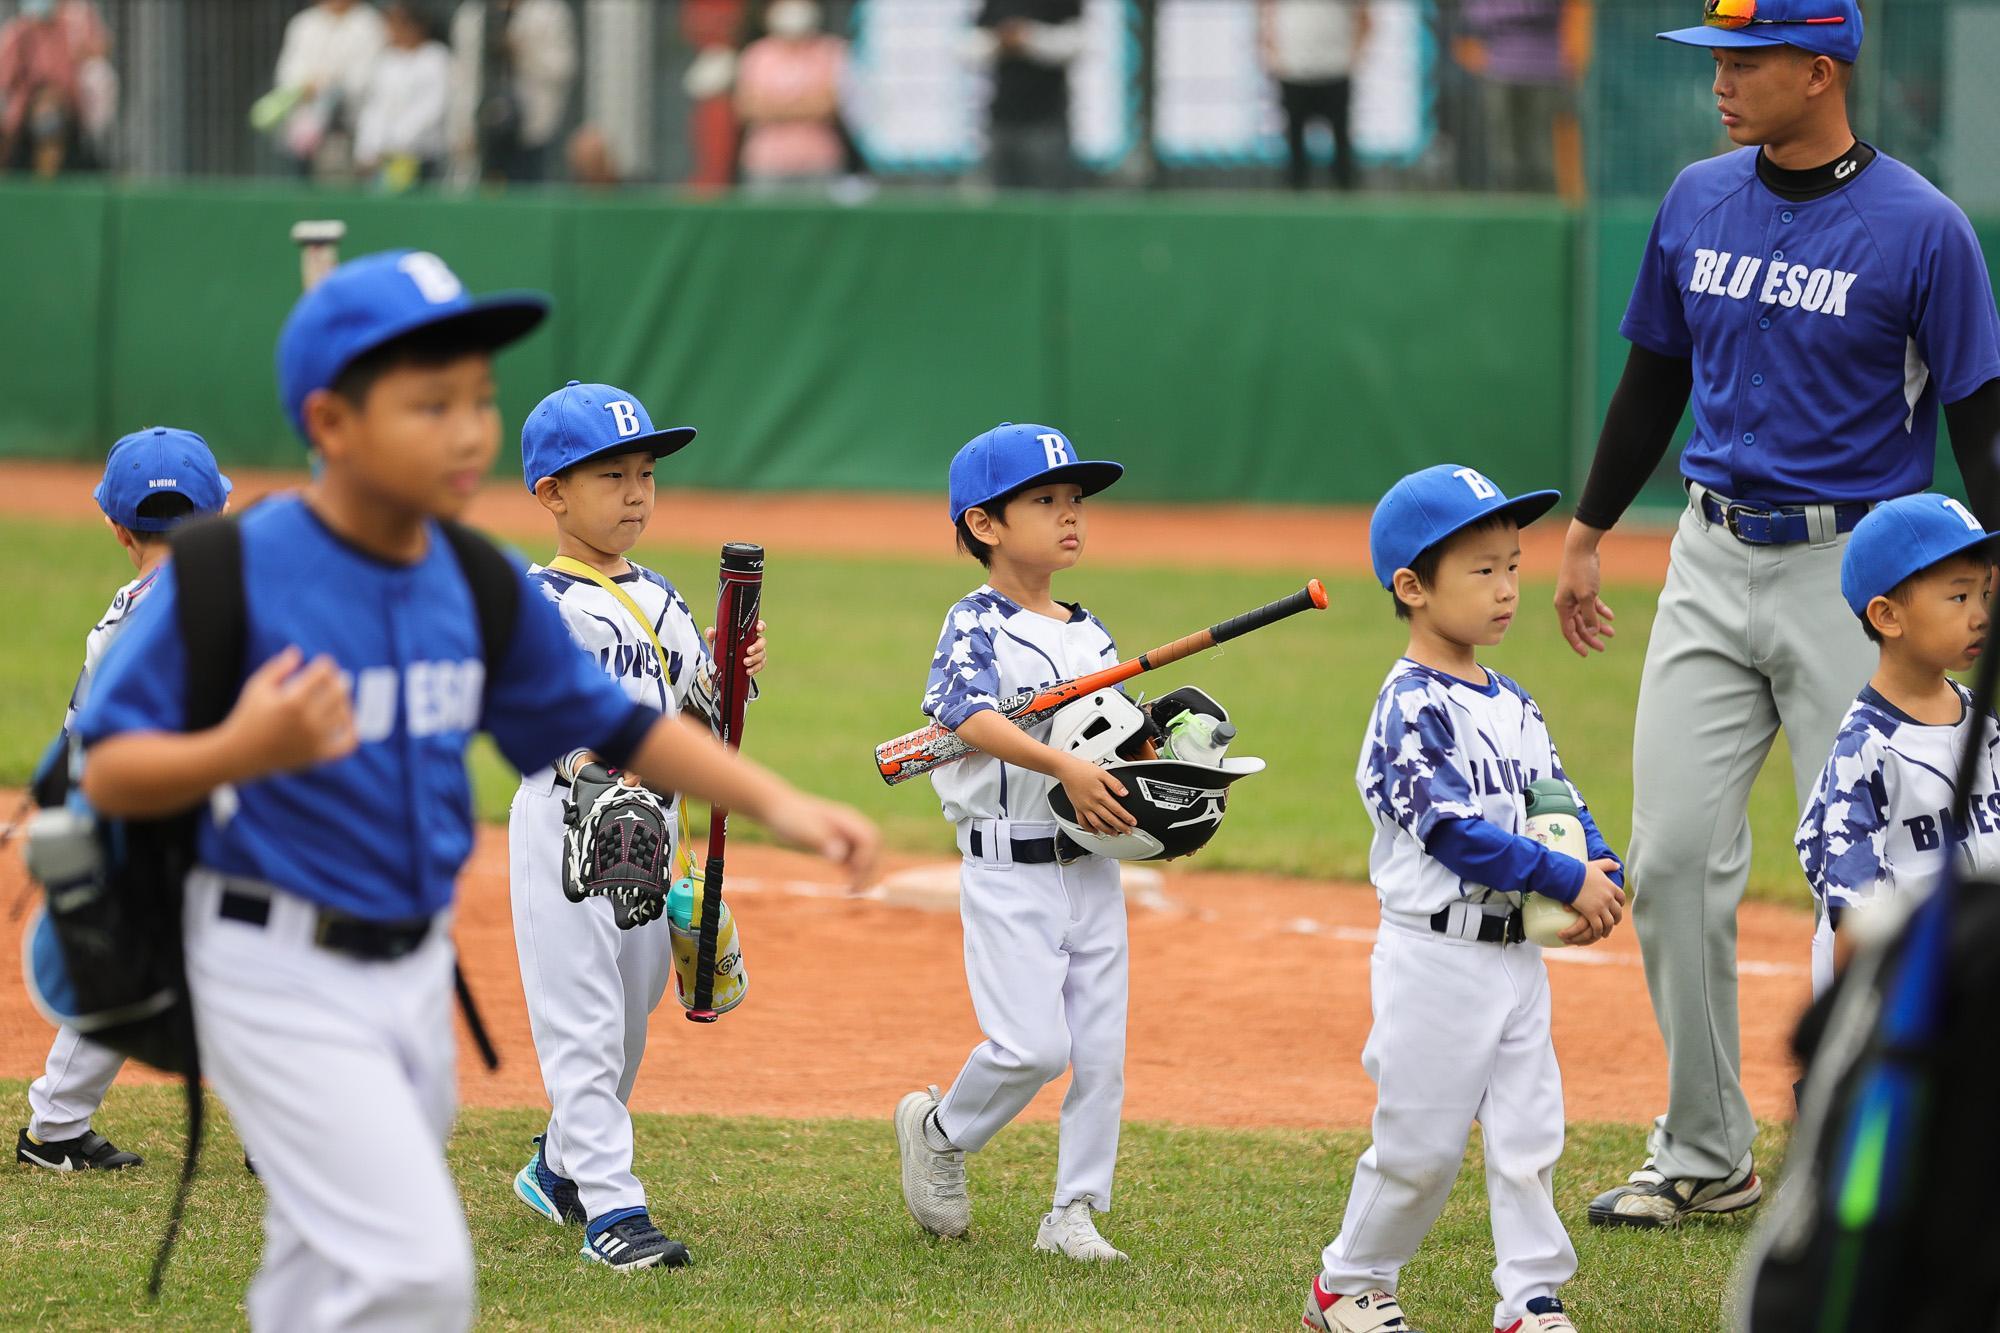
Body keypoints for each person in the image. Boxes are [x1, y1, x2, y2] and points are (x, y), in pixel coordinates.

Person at [72, 250, 877, 1330]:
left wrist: (776, 800)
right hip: (272, 966)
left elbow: (622, 724)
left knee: (334, 1275)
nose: (465, 431)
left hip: (410, 970)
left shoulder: (476, 581)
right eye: (429, 401)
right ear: (333, 421)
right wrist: (245, 746)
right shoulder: (232, 571)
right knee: (418, 1274)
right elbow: (106, 767)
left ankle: (552, 1172)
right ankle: (606, 1199)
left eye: (479, 402)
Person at [1553, 0, 2000, 1230]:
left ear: (1820, 71)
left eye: (1745, 63)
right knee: (1670, 856)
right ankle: (1703, 1149)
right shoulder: (1696, 198)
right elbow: (1653, 372)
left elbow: (1978, 415)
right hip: (1703, 553)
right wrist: (1588, 530)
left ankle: (1892, 1148)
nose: (1721, 82)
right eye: (1717, 61)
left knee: (1879, 873)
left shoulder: (1922, 227)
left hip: (1856, 577)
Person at [1302, 464, 1624, 1333]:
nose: (1508, 588)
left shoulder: (1513, 702)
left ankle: (1531, 1298)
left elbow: (1561, 800)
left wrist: (1602, 868)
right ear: (1412, 586)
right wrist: (1563, 877)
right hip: (1435, 957)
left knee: (1529, 1137)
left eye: (1513, 565)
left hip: (1515, 956)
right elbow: (1449, 830)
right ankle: (1351, 1283)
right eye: (1481, 570)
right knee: (1420, 1149)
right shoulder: (1409, 706)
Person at [506, 379, 767, 1271]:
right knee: (581, 1018)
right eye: (610, 474)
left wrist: (728, 677)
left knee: (627, 1014)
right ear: (550, 493)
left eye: (645, 473)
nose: (635, 492)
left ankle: (556, 1164)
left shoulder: (662, 597)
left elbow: (699, 729)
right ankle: (612, 1208)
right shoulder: (537, 601)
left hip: (655, 831)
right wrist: (590, 776)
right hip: (568, 828)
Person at [893, 422, 1140, 1262]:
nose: (1070, 513)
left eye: (1075, 500)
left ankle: (1073, 1210)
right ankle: (940, 1129)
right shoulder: (977, 623)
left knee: (1100, 1053)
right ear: (985, 524)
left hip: (1093, 864)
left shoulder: (1090, 630)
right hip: (1008, 865)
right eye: (1046, 500)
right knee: (1035, 1047)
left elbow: (1108, 741)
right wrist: (1059, 763)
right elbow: (962, 711)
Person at [15, 427, 231, 1175]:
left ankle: (56, 1125)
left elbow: (84, 731)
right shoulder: (218, 596)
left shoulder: (121, 609)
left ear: (115, 526)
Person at [1795, 494, 2000, 998]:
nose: (1980, 616)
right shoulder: (1864, 749)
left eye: (1985, 596)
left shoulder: (1986, 725)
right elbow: (1854, 917)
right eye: (1959, 597)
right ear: (1887, 617)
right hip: (1900, 998)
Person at [448, 0, 577, 184]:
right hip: (484, 128)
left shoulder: (549, 11)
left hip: (533, 129)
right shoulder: (472, 14)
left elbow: (562, 68)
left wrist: (522, 51)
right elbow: (463, 77)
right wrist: (463, 127)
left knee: (529, 190)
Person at [266, 0, 387, 181]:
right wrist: (304, 86)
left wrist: (328, 85)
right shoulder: (304, 23)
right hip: (304, 125)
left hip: (351, 125)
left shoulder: (370, 24)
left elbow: (367, 76)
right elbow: (288, 70)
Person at [969, 0, 1085, 191]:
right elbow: (968, 46)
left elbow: (1077, 42)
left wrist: (1028, 38)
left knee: (1050, 197)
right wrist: (1001, 40)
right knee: (1002, 200)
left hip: (1046, 119)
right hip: (1002, 117)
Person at [733, 0, 847, 191]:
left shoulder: (832, 51)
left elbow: (830, 106)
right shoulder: (757, 54)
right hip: (765, 162)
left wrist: (774, 107)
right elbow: (747, 108)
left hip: (820, 160)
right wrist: (806, 105)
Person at [1258, 0, 1369, 191]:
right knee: (1294, 139)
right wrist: (1271, 54)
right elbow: (1265, 11)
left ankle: (1345, 189)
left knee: (1341, 140)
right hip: (1294, 69)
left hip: (1335, 69)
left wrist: (1356, 54)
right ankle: (1295, 189)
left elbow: (1364, 14)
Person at [354, 0, 452, 191]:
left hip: (423, 156)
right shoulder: (385, 61)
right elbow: (374, 107)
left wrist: (398, 143)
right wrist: (368, 148)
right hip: (382, 158)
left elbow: (433, 108)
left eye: (398, 24)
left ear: (416, 26)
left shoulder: (436, 59)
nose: (391, 31)